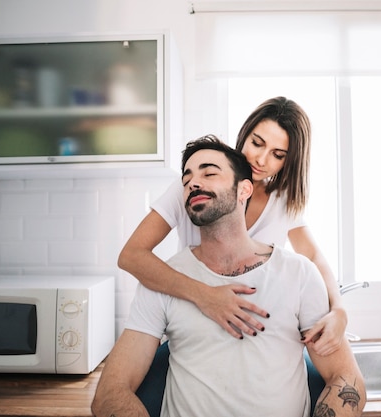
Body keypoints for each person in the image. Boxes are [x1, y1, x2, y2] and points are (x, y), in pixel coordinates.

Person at [92, 136, 365, 417]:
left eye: (209, 173)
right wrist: (204, 295)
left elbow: (346, 378)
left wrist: (340, 309)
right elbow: (111, 392)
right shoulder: (161, 281)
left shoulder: (299, 274)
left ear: (244, 189)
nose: (194, 183)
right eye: (186, 182)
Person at [118, 97, 346, 353]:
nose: (260, 159)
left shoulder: (283, 202)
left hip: (254, 335)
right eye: (256, 143)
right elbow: (131, 256)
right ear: (245, 134)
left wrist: (338, 309)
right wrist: (205, 296)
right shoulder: (198, 185)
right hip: (194, 329)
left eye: (277, 154)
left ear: (289, 161)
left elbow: (313, 256)